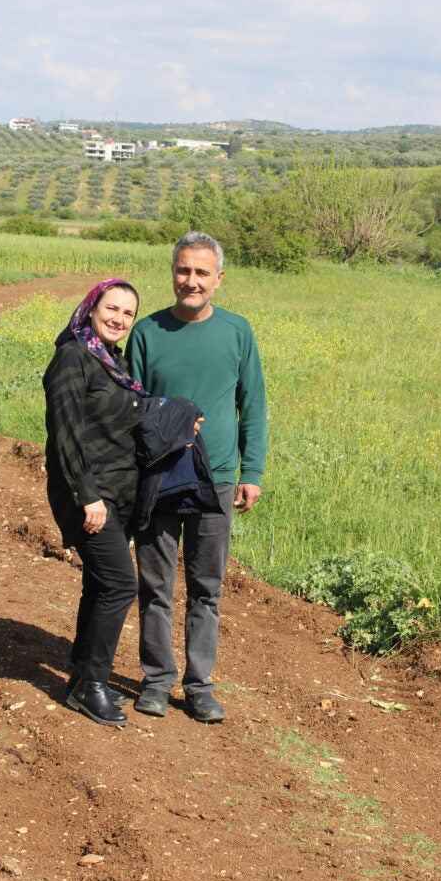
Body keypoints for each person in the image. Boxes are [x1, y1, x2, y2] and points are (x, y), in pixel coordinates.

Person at [126, 231, 267, 722]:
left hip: (218, 476)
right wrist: (169, 416)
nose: (191, 281)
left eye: (201, 272)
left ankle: (199, 684)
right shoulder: (146, 332)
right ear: (173, 274)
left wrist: (252, 470)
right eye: (183, 270)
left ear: (219, 279)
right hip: (159, 475)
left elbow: (253, 406)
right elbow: (131, 404)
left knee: (207, 586)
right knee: (156, 584)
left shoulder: (237, 332)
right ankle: (157, 680)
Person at [43, 278, 145, 728]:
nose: (119, 319)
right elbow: (64, 435)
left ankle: (82, 680)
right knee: (121, 585)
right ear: (91, 308)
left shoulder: (112, 362)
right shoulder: (73, 358)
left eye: (128, 313)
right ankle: (92, 684)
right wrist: (88, 496)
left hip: (116, 494)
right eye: (112, 308)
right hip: (87, 494)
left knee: (101, 585)